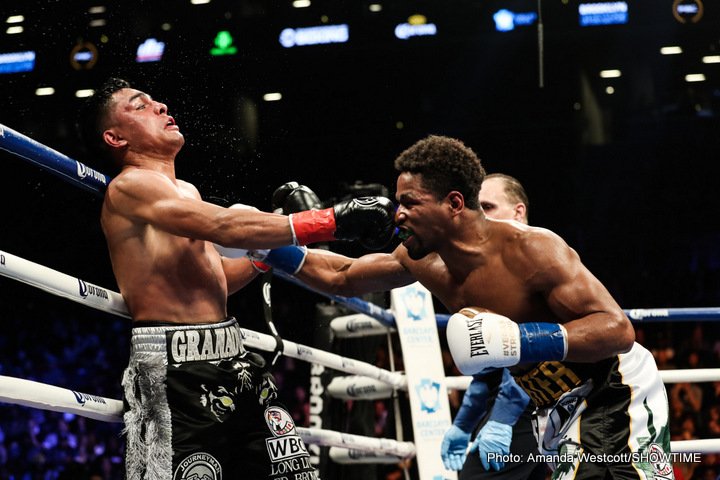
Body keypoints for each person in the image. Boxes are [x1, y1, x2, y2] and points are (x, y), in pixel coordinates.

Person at [258, 135, 673, 479]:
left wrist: (522, 341)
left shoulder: (532, 250)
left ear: (456, 205)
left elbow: (617, 330)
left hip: (611, 386)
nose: (398, 214)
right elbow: (342, 274)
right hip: (556, 407)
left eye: (410, 202)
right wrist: (269, 246)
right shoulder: (424, 262)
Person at [77, 77, 396, 480]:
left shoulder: (186, 190)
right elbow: (228, 227)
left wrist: (262, 260)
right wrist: (332, 219)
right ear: (115, 137)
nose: (159, 106)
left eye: (156, 100)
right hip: (174, 370)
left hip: (233, 354)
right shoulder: (130, 186)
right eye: (139, 106)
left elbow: (216, 280)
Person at [440, 173, 546, 479]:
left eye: (488, 207)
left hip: (550, 402)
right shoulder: (492, 270)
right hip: (529, 406)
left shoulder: (541, 258)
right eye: (477, 209)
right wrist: (463, 424)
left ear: (518, 211)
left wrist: (500, 421)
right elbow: (489, 369)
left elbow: (536, 350)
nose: (481, 218)